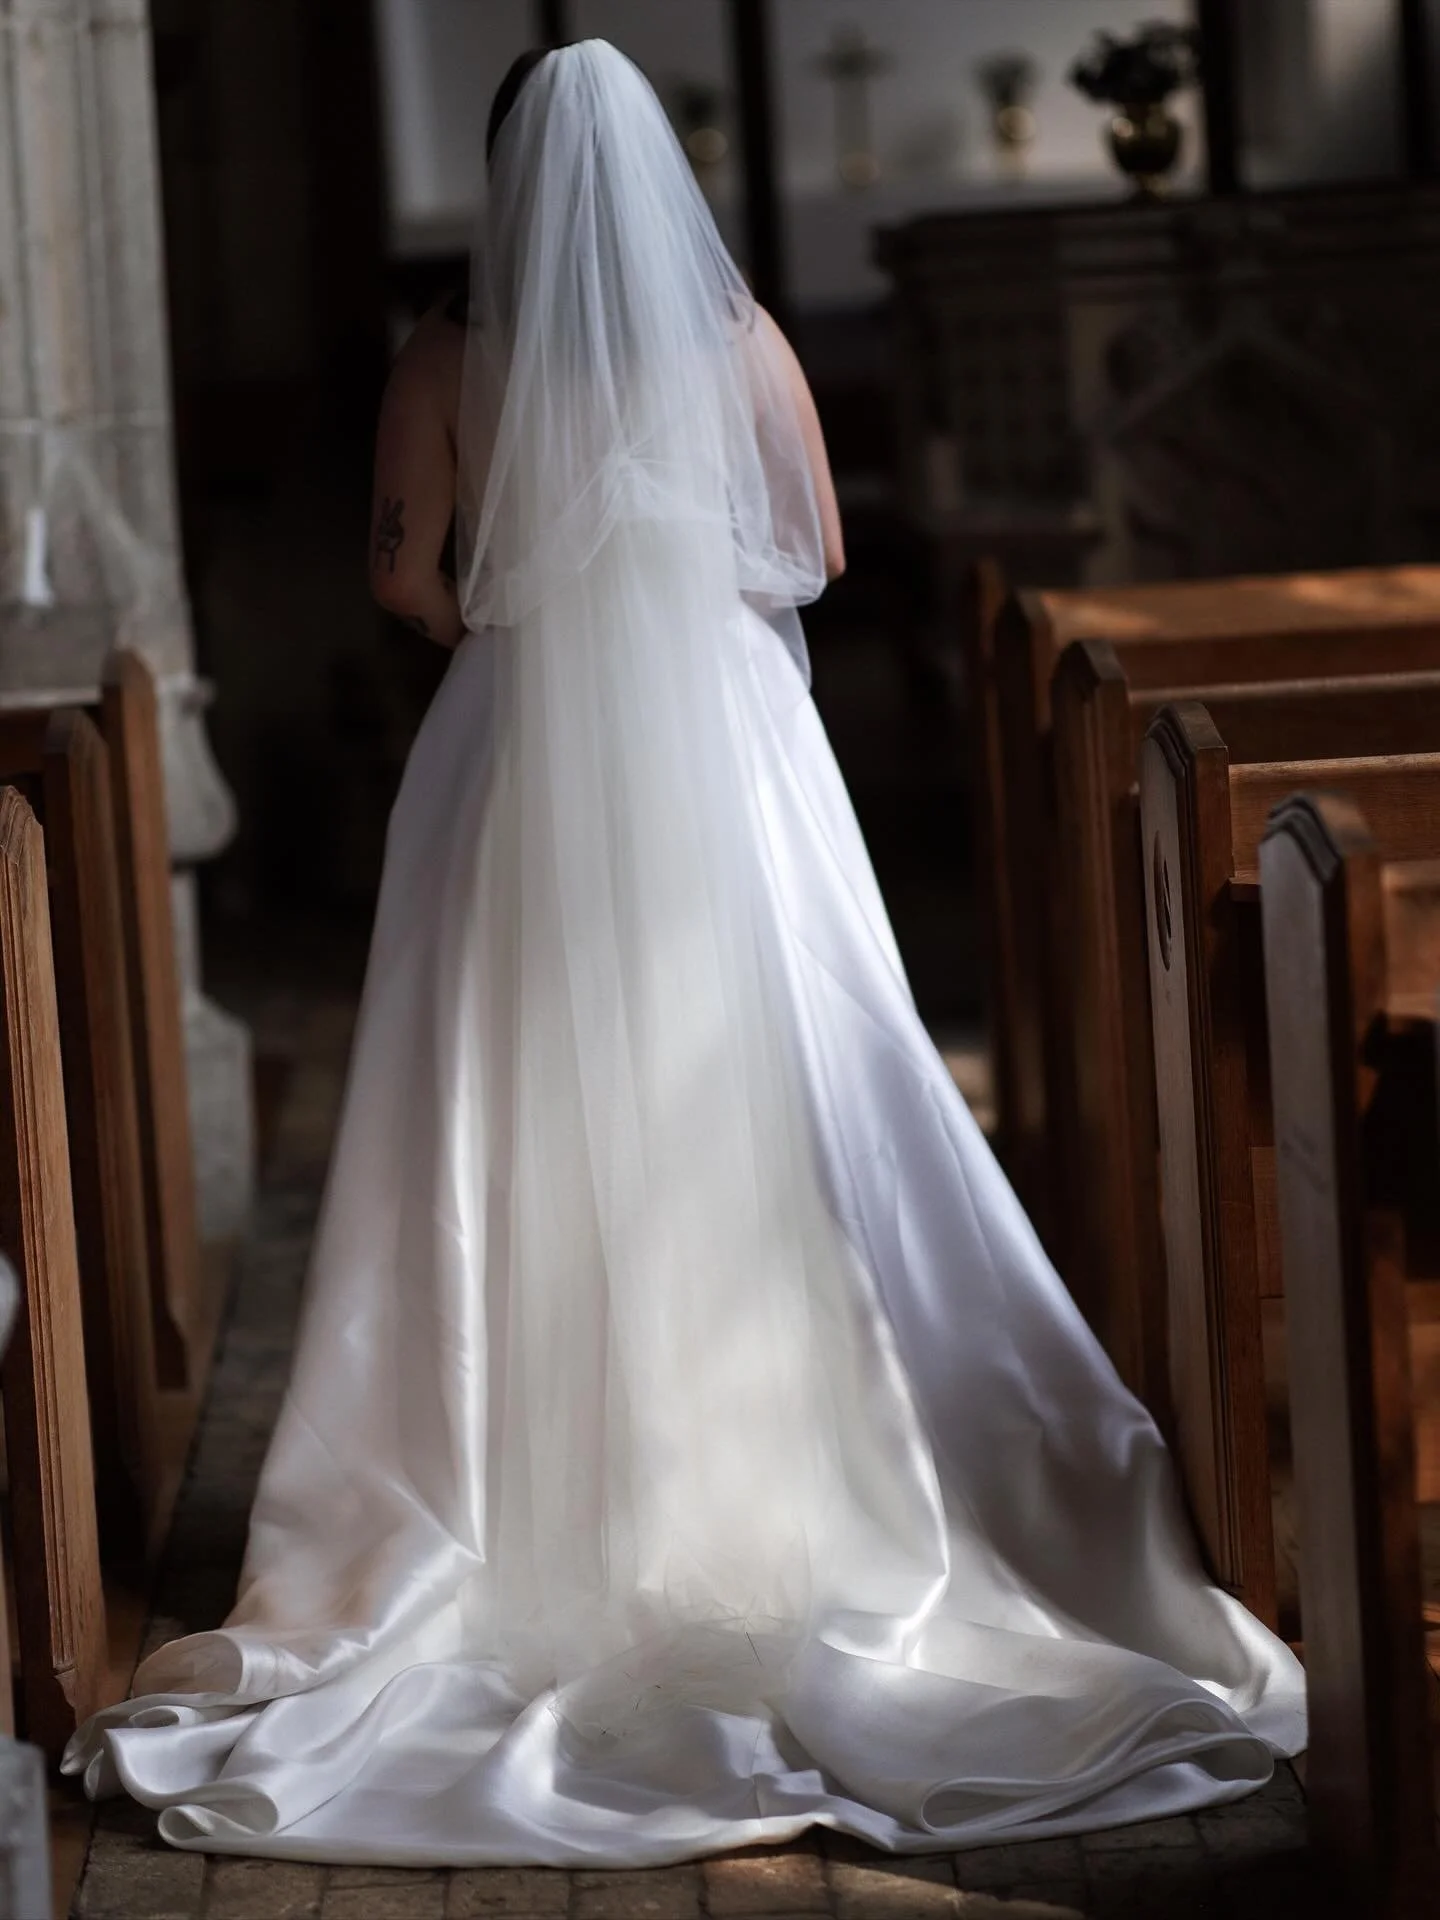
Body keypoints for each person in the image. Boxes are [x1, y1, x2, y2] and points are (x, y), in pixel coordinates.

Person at [63, 40, 1304, 1868]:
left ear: (502, 188)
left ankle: (503, 1489)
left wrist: (530, 595)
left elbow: (409, 583)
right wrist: (667, 576)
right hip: (732, 737)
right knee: (775, 1073)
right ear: (654, 179)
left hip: (512, 751)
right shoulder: (734, 344)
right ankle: (818, 1478)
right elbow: (805, 544)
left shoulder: (444, 358)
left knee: (499, 1103)